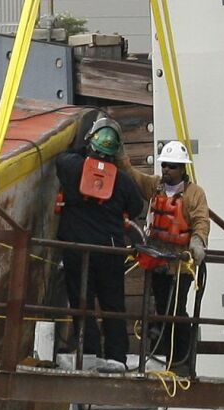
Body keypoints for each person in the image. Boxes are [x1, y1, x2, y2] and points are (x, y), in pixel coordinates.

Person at [54, 120, 145, 373]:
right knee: (113, 304)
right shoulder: (123, 181)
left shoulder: (71, 167)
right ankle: (117, 357)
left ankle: (90, 352)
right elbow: (136, 206)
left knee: (82, 302)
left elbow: (63, 158)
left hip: (78, 250)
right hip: (110, 250)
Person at [117, 139, 210, 376]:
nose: (167, 170)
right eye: (165, 165)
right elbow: (134, 176)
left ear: (182, 169)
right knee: (161, 309)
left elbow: (201, 220)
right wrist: (121, 157)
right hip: (157, 262)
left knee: (176, 311)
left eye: (172, 166)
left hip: (180, 265)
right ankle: (168, 360)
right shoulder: (155, 187)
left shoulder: (194, 194)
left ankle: (182, 362)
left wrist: (198, 242)